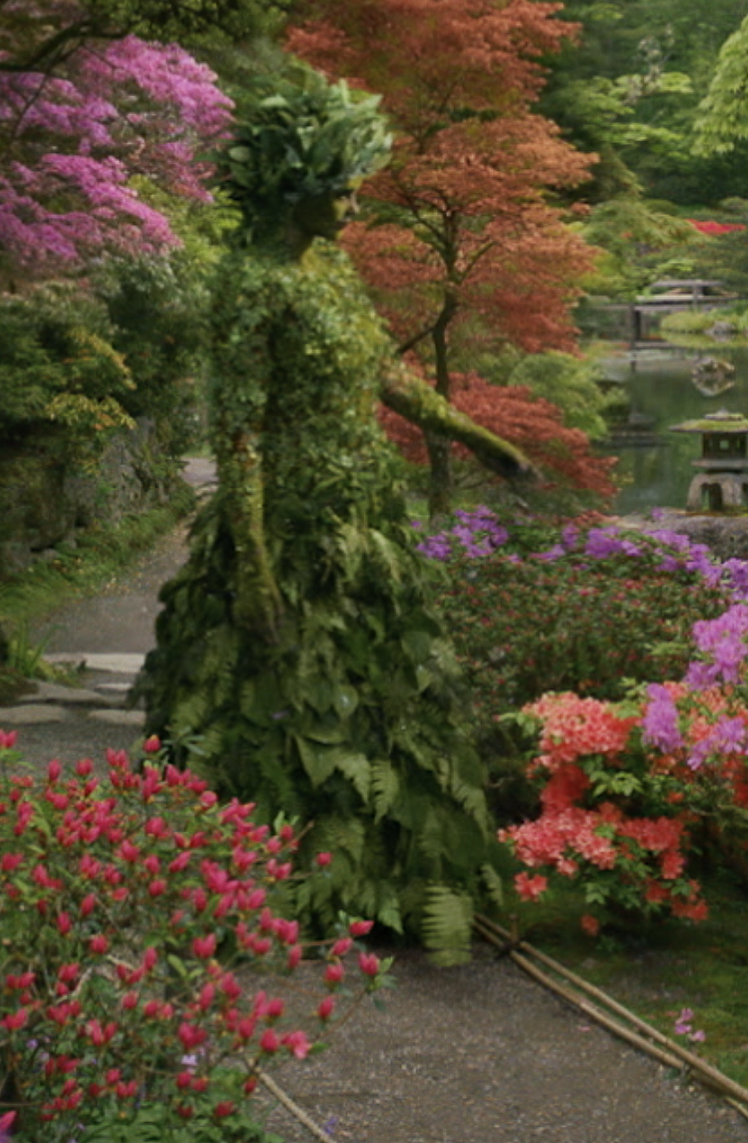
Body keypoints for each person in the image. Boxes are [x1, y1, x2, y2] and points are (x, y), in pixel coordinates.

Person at [138, 74, 533, 954]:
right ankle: (266, 890)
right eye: (339, 187)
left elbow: (384, 376)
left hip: (366, 523)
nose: (355, 202)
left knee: (384, 695)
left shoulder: (334, 269)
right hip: (286, 525)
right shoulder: (249, 283)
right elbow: (238, 431)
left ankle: (382, 884)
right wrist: (255, 565)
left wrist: (474, 436)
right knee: (275, 703)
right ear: (293, 188)